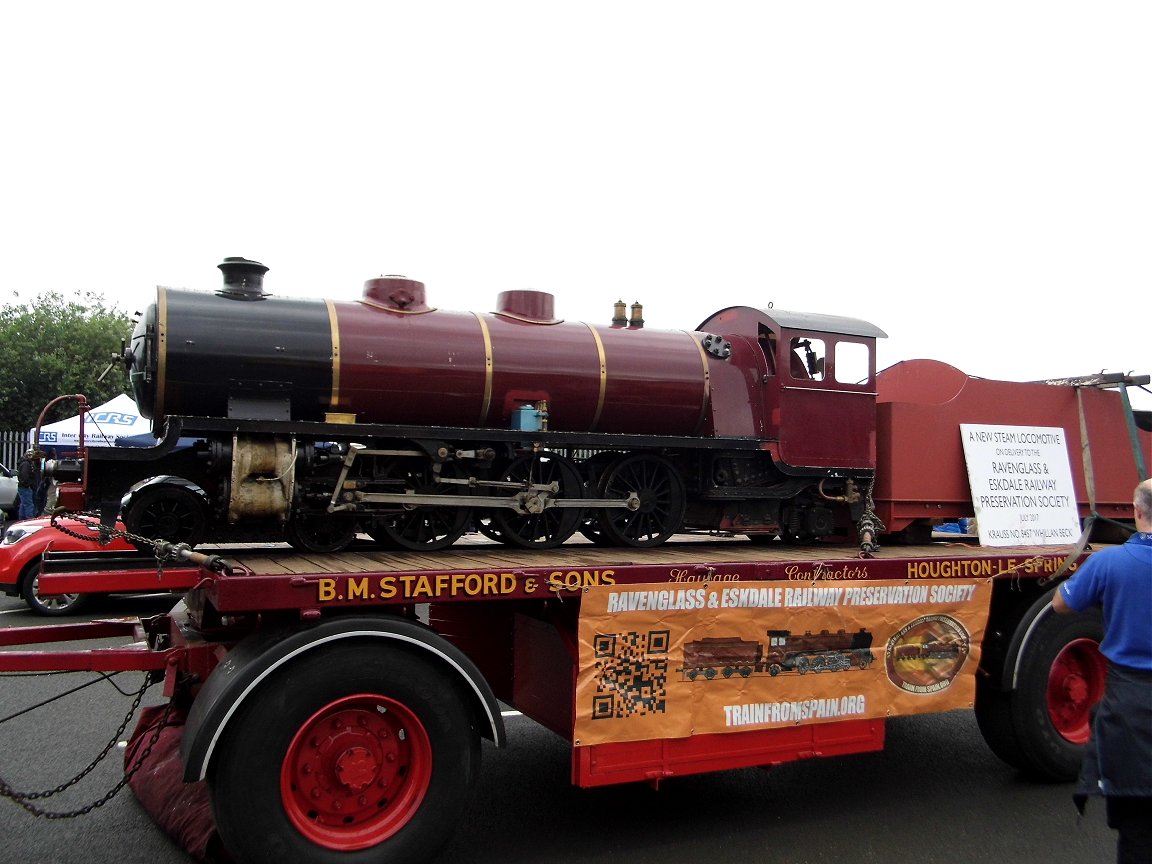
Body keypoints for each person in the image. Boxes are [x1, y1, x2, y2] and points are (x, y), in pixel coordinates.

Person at [1053, 478, 1152, 864]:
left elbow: (1062, 605)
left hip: (1130, 705)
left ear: (1135, 510)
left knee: (1137, 829)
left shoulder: (1108, 562)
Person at [16, 449, 42, 521]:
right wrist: (29, 484)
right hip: (26, 487)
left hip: (23, 487)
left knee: (24, 505)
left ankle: (21, 520)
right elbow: (25, 477)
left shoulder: (25, 463)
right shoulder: (26, 464)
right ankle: (29, 520)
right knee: (29, 505)